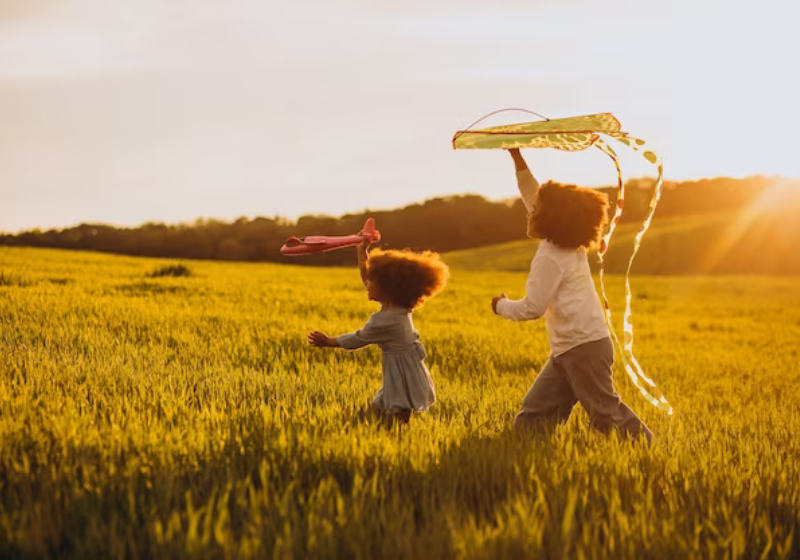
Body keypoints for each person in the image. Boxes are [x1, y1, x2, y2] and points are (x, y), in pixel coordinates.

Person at [492, 148, 652, 442]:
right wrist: (516, 156)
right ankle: (522, 448)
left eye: (535, 212)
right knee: (535, 414)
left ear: (551, 220)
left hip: (583, 350)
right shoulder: (567, 242)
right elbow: (533, 193)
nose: (529, 213)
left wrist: (500, 305)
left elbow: (532, 308)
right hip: (570, 349)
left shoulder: (550, 257)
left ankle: (647, 448)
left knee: (606, 415)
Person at [308, 240, 449, 426]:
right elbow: (367, 277)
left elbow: (358, 339)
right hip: (403, 370)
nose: (367, 284)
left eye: (373, 281)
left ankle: (399, 440)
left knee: (398, 415)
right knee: (375, 415)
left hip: (403, 375)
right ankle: (376, 434)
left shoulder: (386, 321)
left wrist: (328, 341)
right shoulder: (399, 306)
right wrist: (362, 253)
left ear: (388, 288)